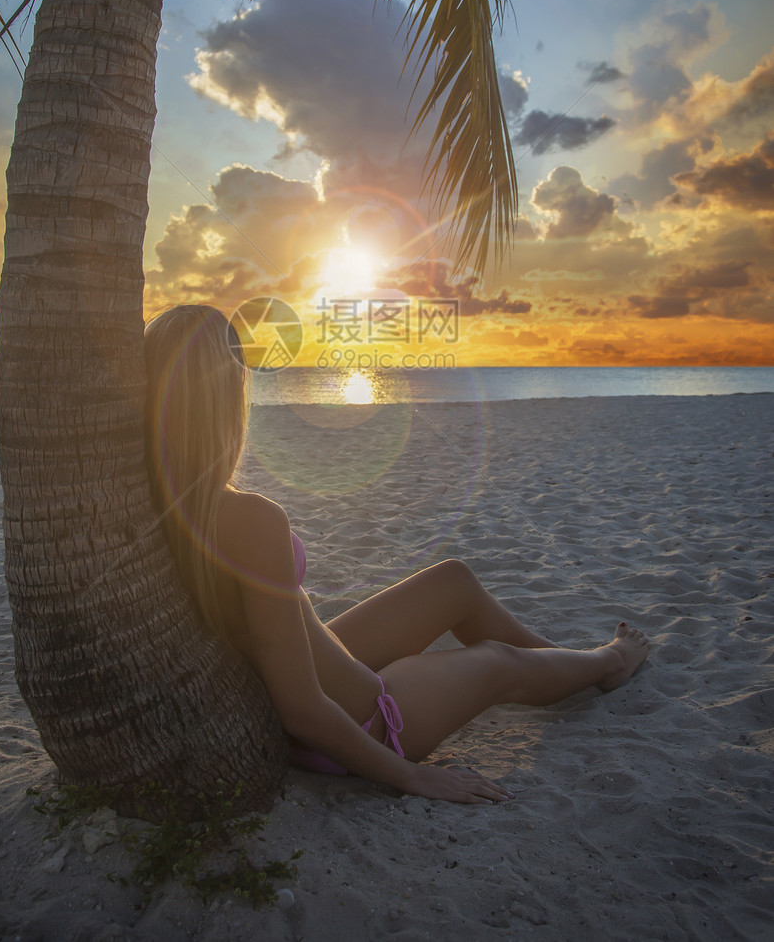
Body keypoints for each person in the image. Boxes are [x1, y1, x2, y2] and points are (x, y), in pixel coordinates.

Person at [144, 304, 650, 805]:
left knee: (452, 581)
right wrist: (411, 777)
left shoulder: (145, 500)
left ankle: (564, 664)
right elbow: (300, 708)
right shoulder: (250, 519)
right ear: (225, 396)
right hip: (362, 721)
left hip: (321, 664)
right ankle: (607, 663)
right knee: (497, 663)